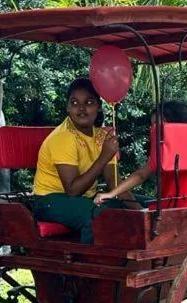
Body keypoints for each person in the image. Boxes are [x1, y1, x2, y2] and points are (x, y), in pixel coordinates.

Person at [33, 78, 137, 243]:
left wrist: (140, 211)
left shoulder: (102, 137)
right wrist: (104, 157)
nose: (81, 108)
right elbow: (73, 190)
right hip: (50, 200)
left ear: (99, 106)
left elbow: (114, 183)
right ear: (68, 107)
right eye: (74, 103)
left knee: (142, 203)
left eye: (89, 102)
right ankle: (92, 258)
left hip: (85, 199)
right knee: (100, 216)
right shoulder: (63, 137)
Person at [94, 100, 187, 207]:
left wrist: (111, 194)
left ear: (169, 124)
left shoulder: (165, 150)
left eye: (155, 124)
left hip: (171, 207)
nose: (152, 129)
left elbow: (141, 175)